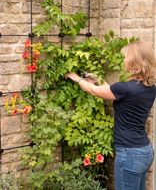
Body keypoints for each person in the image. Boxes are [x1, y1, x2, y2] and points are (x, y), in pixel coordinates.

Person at [66, 41, 156, 190]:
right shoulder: (150, 87)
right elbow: (115, 92)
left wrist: (77, 78)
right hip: (144, 151)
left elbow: (95, 91)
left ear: (135, 62)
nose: (124, 60)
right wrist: (98, 80)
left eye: (127, 57)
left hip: (129, 153)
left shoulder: (124, 88)